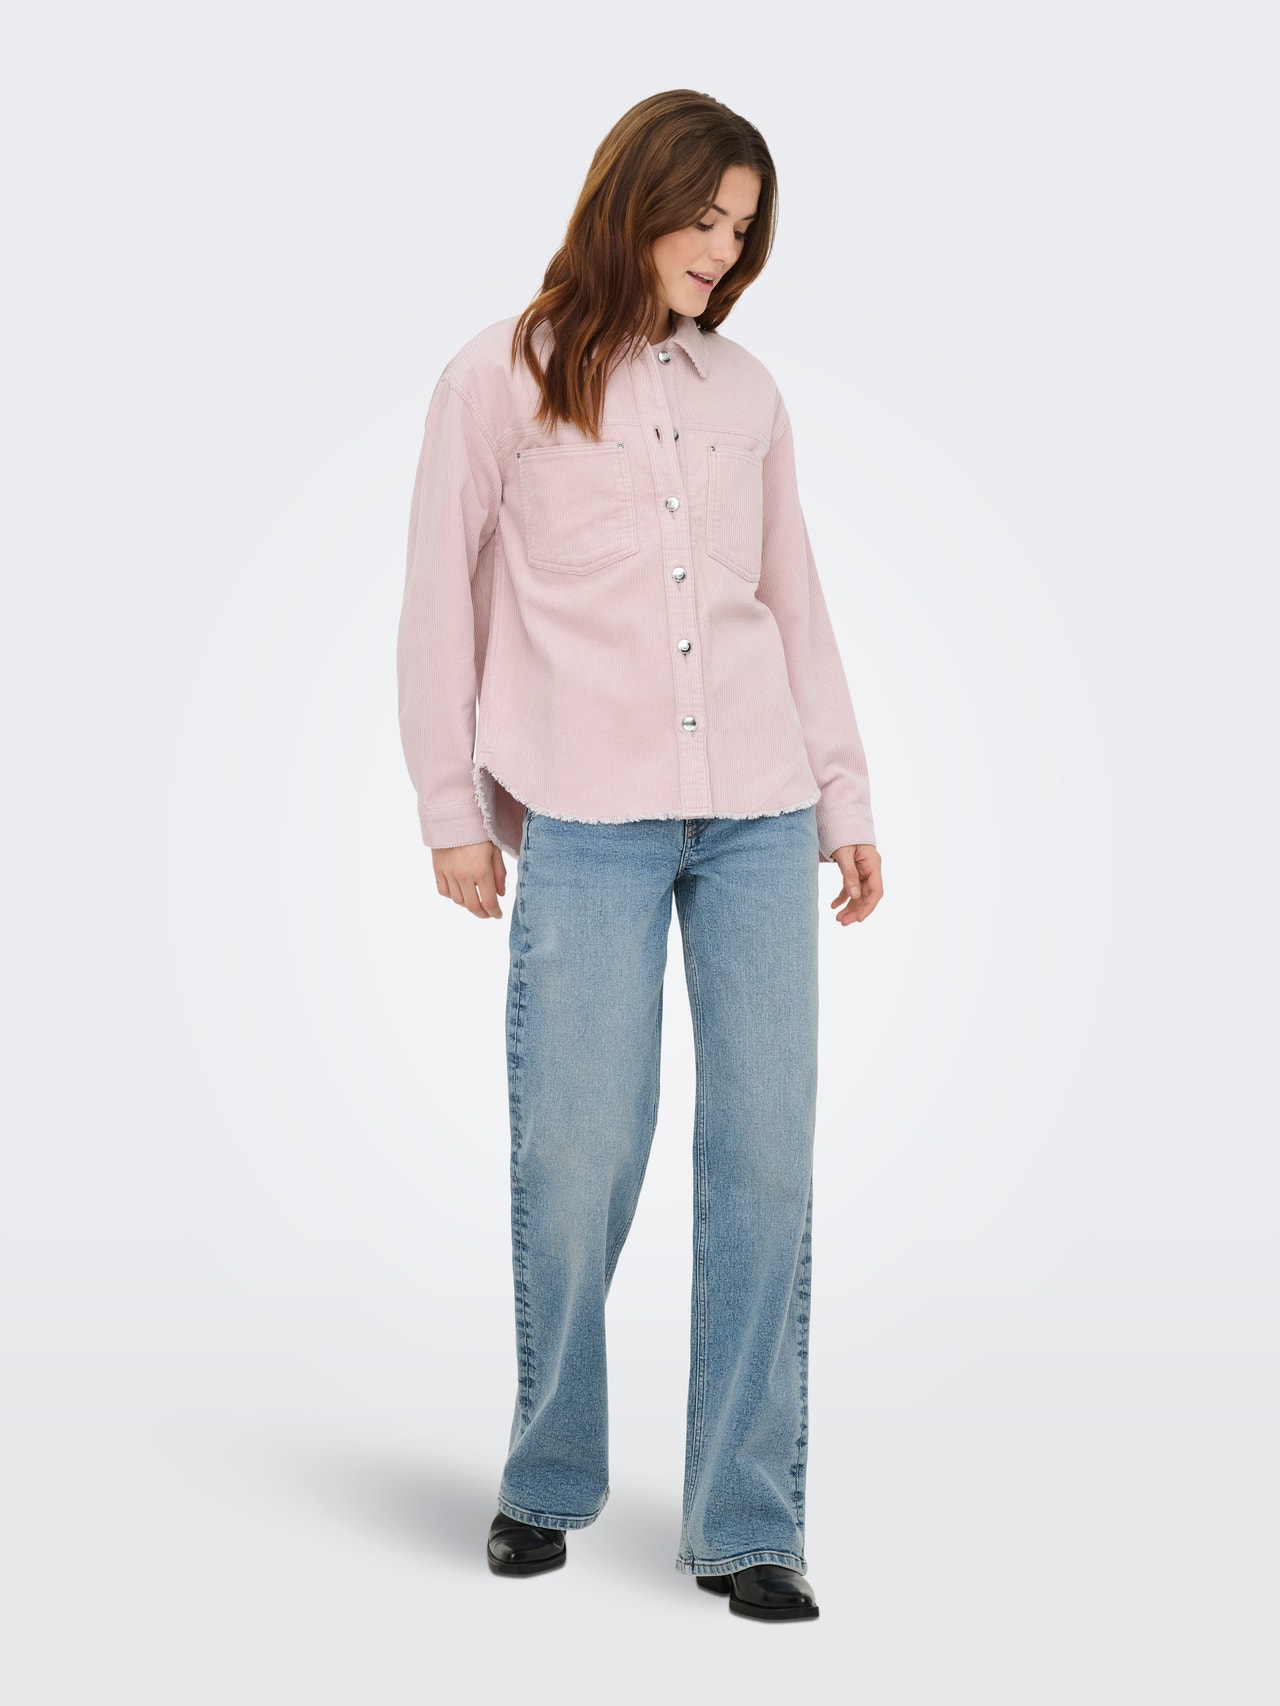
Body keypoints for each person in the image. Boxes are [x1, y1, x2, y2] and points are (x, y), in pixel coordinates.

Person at [396, 88, 884, 1623]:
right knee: (575, 1154)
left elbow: (792, 601)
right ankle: (547, 1476)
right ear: (636, 195)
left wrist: (846, 796)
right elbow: (437, 602)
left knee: (765, 1162)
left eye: (745, 229)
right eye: (705, 217)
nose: (724, 251)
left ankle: (748, 1520)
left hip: (760, 814)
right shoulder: (501, 377)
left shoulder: (749, 394)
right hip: (585, 818)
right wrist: (451, 809)